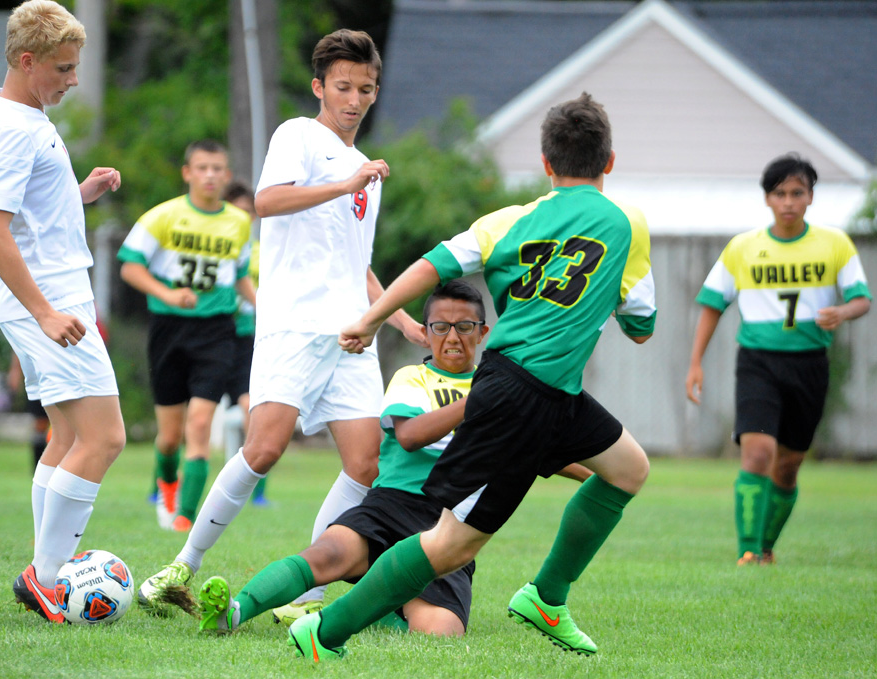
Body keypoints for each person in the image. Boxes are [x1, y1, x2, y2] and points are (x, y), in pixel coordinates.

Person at [286, 92, 657, 661]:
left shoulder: (508, 222)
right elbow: (642, 326)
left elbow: (429, 267)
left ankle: (547, 597)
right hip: (519, 395)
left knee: (629, 468)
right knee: (451, 545)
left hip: (553, 393)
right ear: (609, 162)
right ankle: (326, 631)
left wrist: (370, 318)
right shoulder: (626, 223)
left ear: (546, 164)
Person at [136, 28, 426, 615]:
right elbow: (266, 201)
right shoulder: (299, 136)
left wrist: (400, 321)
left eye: (365, 89)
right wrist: (343, 182)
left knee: (366, 464)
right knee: (264, 449)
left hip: (352, 335)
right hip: (294, 324)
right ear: (320, 87)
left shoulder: (361, 168)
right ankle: (180, 567)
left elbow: (355, 261)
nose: (353, 98)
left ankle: (309, 592)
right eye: (342, 86)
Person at [183, 280, 593, 636]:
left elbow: (543, 452)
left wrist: (600, 477)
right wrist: (480, 402)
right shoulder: (412, 378)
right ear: (426, 332)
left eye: (465, 327)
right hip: (392, 505)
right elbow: (411, 435)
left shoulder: (500, 388)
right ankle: (232, 613)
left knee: (441, 632)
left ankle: (372, 609)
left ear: (483, 332)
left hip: (451, 524)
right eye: (441, 326)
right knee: (325, 555)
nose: (453, 337)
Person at [0, 0, 126, 624]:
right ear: (27, 61)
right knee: (106, 437)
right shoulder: (15, 126)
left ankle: (43, 571)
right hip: (50, 301)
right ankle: (48, 575)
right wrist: (42, 313)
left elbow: (29, 215)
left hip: (53, 293)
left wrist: (76, 192)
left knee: (67, 437)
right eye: (63, 68)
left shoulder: (24, 112)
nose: (72, 79)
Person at [685, 153, 871, 566]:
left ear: (810, 197)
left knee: (788, 467)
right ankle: (747, 552)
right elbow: (713, 304)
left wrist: (843, 311)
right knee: (756, 454)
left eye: (797, 193)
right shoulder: (744, 248)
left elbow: (862, 299)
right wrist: (695, 362)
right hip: (758, 363)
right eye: (780, 193)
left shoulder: (834, 244)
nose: (788, 201)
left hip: (809, 365)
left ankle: (765, 548)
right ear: (767, 199)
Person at [118, 140, 255, 532]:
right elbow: (129, 266)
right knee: (169, 436)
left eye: (217, 168)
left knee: (199, 425)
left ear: (226, 175)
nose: (210, 175)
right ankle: (166, 478)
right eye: (202, 168)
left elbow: (240, 275)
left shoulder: (239, 222)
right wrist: (167, 294)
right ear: (187, 173)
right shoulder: (163, 217)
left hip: (218, 332)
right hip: (169, 331)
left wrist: (264, 306)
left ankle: (185, 518)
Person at [222, 181, 268, 507]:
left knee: (253, 409)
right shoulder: (214, 247)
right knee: (185, 420)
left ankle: (256, 492)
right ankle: (163, 485)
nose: (244, 217)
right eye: (238, 210)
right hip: (212, 335)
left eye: (248, 211)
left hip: (248, 340)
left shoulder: (263, 252)